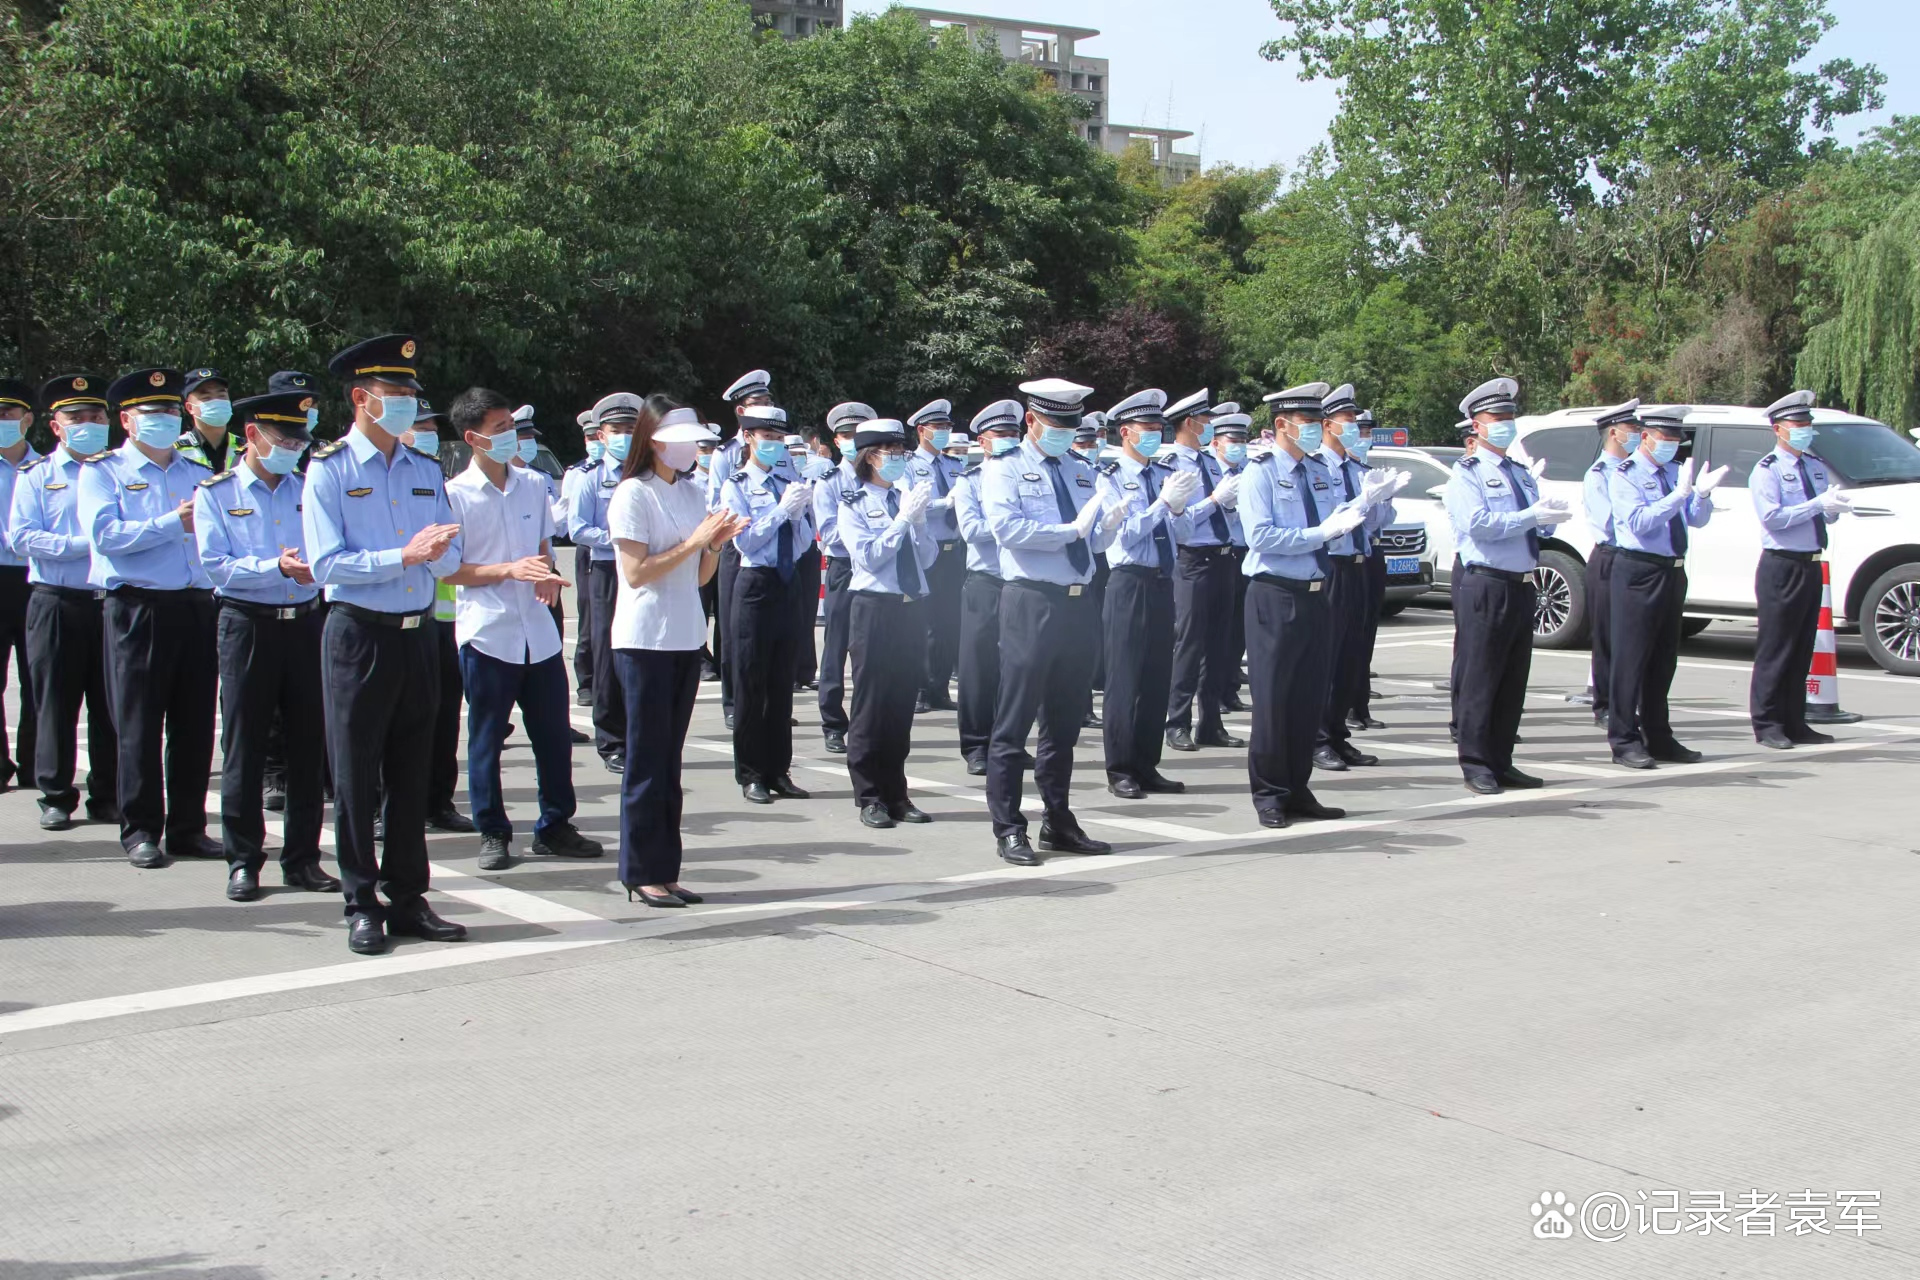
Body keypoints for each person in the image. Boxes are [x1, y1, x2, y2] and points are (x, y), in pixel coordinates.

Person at [307, 333, 467, 956]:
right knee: (355, 775)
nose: (405, 405)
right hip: (358, 634)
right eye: (393, 395)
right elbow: (326, 563)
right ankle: (360, 901)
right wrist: (402, 556)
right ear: (360, 399)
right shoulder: (330, 470)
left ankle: (408, 897)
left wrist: (437, 555)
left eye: (409, 395)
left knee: (411, 771)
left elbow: (450, 552)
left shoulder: (426, 469)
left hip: (416, 633)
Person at [442, 388, 601, 871]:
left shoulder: (534, 484)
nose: (511, 436)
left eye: (511, 426)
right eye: (499, 429)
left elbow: (542, 550)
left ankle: (555, 825)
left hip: (538, 631)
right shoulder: (456, 495)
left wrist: (548, 575)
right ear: (473, 438)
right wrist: (508, 570)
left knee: (552, 735)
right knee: (486, 738)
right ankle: (492, 829)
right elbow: (450, 571)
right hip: (488, 633)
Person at [193, 389, 340, 902]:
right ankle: (243, 859)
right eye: (284, 439)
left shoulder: (311, 488)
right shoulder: (216, 493)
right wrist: (273, 567)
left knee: (307, 745)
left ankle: (302, 859)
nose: (295, 449)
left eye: (300, 440)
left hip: (305, 622)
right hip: (246, 624)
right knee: (244, 745)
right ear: (252, 435)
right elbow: (216, 566)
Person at [81, 368, 220, 869]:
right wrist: (170, 523)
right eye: (150, 412)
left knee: (195, 722)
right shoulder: (102, 471)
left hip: (195, 604)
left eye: (167, 410)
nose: (161, 419)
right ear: (126, 420)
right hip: (138, 607)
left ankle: (188, 827)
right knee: (139, 723)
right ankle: (140, 828)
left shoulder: (194, 470)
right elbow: (106, 537)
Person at [980, 378, 1120, 866]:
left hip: (1079, 603)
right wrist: (1070, 530)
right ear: (1032, 420)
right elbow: (1008, 529)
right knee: (1014, 720)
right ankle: (1009, 827)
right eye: (1057, 424)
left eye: (1070, 424)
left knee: (1063, 724)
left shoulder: (1081, 471)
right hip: (1031, 602)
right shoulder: (1004, 469)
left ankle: (1058, 820)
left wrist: (1107, 526)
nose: (1064, 432)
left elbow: (1092, 543)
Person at [609, 405, 741, 906]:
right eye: (681, 440)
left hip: (685, 636)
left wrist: (715, 546)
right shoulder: (632, 493)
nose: (692, 450)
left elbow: (701, 577)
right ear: (656, 441)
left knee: (669, 763)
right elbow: (637, 572)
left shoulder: (690, 491)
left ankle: (666, 869)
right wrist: (695, 542)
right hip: (645, 640)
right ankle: (640, 871)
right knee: (645, 761)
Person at [1240, 383, 1363, 828]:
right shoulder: (1260, 473)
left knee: (1307, 699)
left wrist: (1364, 505)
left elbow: (1338, 521)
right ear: (1281, 425)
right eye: (1307, 423)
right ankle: (1270, 793)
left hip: (1316, 593)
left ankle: (1298, 787)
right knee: (1273, 700)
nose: (1313, 431)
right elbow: (1262, 537)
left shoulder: (1317, 471)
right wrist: (1320, 534)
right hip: (1274, 593)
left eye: (1316, 423)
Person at [1445, 378, 1570, 795]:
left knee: (1512, 679)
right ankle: (1476, 762)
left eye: (1509, 417)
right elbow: (1477, 525)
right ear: (1476, 426)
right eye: (1496, 418)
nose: (1505, 425)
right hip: (1486, 583)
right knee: (1481, 677)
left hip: (1522, 583)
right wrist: (1529, 517)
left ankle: (1501, 759)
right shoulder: (1467, 474)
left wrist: (1547, 515)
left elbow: (1536, 524)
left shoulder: (1518, 472)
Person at [11, 375, 117, 830]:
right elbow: (21, 538)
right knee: (55, 701)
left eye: (96, 417)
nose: (87, 425)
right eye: (76, 418)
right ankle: (55, 794)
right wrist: (88, 544)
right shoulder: (36, 476)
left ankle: (109, 793)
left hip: (111, 601)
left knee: (112, 705)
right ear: (56, 426)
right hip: (57, 601)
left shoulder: (119, 471)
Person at [1606, 405, 1722, 769]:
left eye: (1676, 440)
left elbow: (1696, 521)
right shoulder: (1625, 474)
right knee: (1631, 658)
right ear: (1646, 436)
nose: (1672, 445)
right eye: (1666, 438)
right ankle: (1624, 739)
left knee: (1663, 660)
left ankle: (1659, 736)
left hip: (1672, 571)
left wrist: (1700, 496)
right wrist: (1676, 497)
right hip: (1639, 570)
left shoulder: (1674, 472)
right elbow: (1639, 522)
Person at [1095, 390, 1198, 799]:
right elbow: (1123, 534)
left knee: (1157, 677)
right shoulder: (1109, 478)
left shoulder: (1163, 474)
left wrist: (1176, 508)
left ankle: (1146, 763)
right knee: (1124, 678)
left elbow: (1187, 533)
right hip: (1127, 582)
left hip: (1161, 580)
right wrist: (1160, 506)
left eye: (1160, 429)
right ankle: (1120, 768)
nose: (1156, 436)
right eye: (1148, 429)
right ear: (1126, 433)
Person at [838, 419, 940, 827]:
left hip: (911, 606)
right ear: (869, 457)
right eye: (888, 452)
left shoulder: (905, 498)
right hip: (874, 607)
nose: (897, 459)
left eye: (900, 452)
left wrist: (916, 523)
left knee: (900, 703)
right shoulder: (854, 503)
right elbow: (868, 557)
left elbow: (928, 558)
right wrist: (901, 522)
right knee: (871, 703)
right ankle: (869, 796)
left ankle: (897, 792)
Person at [1312, 384, 1408, 774]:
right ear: (1327, 424)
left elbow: (1379, 524)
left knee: (1352, 657)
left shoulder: (1359, 469)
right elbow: (1325, 520)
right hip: (1331, 565)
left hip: (1359, 563)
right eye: (1348, 421)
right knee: (1327, 658)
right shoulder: (1316, 469)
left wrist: (1382, 500)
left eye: (1355, 421)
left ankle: (1337, 733)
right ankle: (1318, 738)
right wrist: (1362, 502)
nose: (1354, 428)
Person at [722, 403, 814, 804]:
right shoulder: (736, 485)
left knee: (781, 684)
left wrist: (795, 517)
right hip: (756, 584)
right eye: (768, 438)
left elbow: (806, 540)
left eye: (779, 439)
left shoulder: (786, 480)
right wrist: (781, 513)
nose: (775, 446)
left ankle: (779, 769)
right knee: (751, 682)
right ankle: (751, 773)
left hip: (787, 581)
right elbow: (744, 541)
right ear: (748, 438)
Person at [1750, 390, 1851, 749]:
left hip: (1811, 563)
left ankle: (1795, 721)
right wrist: (1815, 505)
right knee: (1776, 647)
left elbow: (1824, 513)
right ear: (1779, 429)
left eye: (1808, 425)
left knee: (1801, 647)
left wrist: (1833, 507)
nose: (1805, 430)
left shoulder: (1814, 465)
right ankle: (1768, 723)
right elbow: (1773, 519)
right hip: (1781, 565)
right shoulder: (1768, 470)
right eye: (1798, 425)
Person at [405, 397, 475, 835]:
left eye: (430, 426)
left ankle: (438, 800)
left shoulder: (434, 475)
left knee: (444, 712)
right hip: (400, 613)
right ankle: (384, 805)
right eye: (419, 426)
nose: (427, 433)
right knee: (397, 718)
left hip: (444, 615)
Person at [1161, 390, 1244, 753]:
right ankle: (1176, 721)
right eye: (1205, 421)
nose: (1210, 427)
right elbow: (1177, 523)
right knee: (1189, 644)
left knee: (1218, 646)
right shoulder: (1171, 466)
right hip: (1192, 560)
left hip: (1224, 558)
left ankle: (1211, 722)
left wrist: (1231, 506)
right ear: (1189, 423)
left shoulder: (1210, 464)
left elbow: (1228, 514)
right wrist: (1214, 502)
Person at [953, 400, 1023, 776]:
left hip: (1018, 582)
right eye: (1001, 435)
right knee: (978, 667)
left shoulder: (1024, 475)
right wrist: (1010, 523)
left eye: (1014, 434)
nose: (1010, 441)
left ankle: (1007, 742)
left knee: (1015, 667)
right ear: (983, 441)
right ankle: (977, 746)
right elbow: (971, 530)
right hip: (984, 581)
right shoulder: (970, 481)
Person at [569, 392, 636, 773]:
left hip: (642, 568)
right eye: (616, 430)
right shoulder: (587, 477)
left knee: (638, 652)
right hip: (608, 569)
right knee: (606, 654)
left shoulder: (647, 472)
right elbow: (577, 528)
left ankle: (636, 731)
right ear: (602, 434)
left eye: (630, 429)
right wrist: (618, 538)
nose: (623, 437)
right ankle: (611, 740)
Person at [708, 370, 778, 730]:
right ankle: (733, 701)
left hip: (774, 546)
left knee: (770, 632)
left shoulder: (776, 448)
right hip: (738, 546)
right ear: (741, 411)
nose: (766, 409)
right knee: (734, 629)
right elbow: (714, 503)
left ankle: (765, 700)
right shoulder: (726, 454)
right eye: (758, 405)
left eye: (768, 402)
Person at [814, 401, 876, 754]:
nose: (852, 441)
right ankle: (833, 722)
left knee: (873, 649)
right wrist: (865, 535)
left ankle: (866, 720)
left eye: (858, 435)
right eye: (846, 435)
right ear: (836, 441)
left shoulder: (881, 479)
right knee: (836, 646)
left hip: (877, 569)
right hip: (844, 567)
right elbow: (829, 533)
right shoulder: (830, 482)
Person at [1574, 400, 1641, 725]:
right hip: (1611, 556)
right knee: (1608, 634)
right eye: (1633, 429)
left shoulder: (1637, 470)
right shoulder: (1599, 474)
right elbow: (1609, 522)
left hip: (1636, 559)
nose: (1639, 434)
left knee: (1632, 634)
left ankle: (1628, 701)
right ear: (1614, 432)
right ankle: (1605, 705)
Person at [904, 400, 966, 712]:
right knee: (924, 622)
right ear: (921, 430)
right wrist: (945, 503)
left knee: (949, 622)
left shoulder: (954, 466)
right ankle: (920, 688)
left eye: (946, 427)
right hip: (926, 550)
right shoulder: (908, 466)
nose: (943, 432)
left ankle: (940, 687)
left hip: (954, 551)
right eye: (938, 427)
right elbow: (913, 505)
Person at [0, 378, 40, 794]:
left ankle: (35, 765)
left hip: (35, 578)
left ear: (27, 419)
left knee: (39, 677)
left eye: (9, 413)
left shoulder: (44, 468)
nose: (2, 421)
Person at [1342, 410, 1390, 732]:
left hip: (1370, 551)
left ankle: (1360, 705)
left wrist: (1383, 499)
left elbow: (1378, 523)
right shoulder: (1337, 472)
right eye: (1359, 431)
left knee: (1366, 632)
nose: (1364, 438)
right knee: (1345, 640)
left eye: (1368, 432)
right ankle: (1344, 707)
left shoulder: (1367, 471)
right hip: (1344, 556)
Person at [1209, 408, 1251, 714]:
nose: (1238, 446)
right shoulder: (1207, 471)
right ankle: (1211, 693)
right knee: (1215, 633)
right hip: (1218, 556)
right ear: (1216, 443)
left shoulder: (1249, 470)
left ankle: (1230, 689)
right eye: (1232, 440)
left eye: (1242, 440)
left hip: (1244, 553)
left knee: (1238, 630)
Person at [1074, 411, 1111, 724]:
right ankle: (1079, 703)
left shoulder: (1098, 471)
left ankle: (1085, 701)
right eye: (1084, 441)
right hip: (1074, 556)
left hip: (1098, 555)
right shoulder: (1076, 472)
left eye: (1095, 440)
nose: (1091, 445)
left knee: (1091, 631)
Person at [565, 408, 602, 704]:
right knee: (590, 617)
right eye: (590, 436)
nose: (594, 441)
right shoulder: (579, 474)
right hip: (592, 553)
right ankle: (586, 681)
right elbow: (572, 523)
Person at [787, 430, 826, 692]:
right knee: (789, 613)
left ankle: (806, 669)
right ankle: (788, 670)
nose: (798, 459)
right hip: (787, 552)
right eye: (792, 455)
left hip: (809, 548)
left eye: (802, 454)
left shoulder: (810, 480)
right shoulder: (781, 481)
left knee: (808, 611)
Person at [175, 367, 242, 472]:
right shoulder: (175, 451)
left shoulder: (247, 448)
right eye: (206, 398)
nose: (216, 402)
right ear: (190, 408)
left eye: (222, 396)